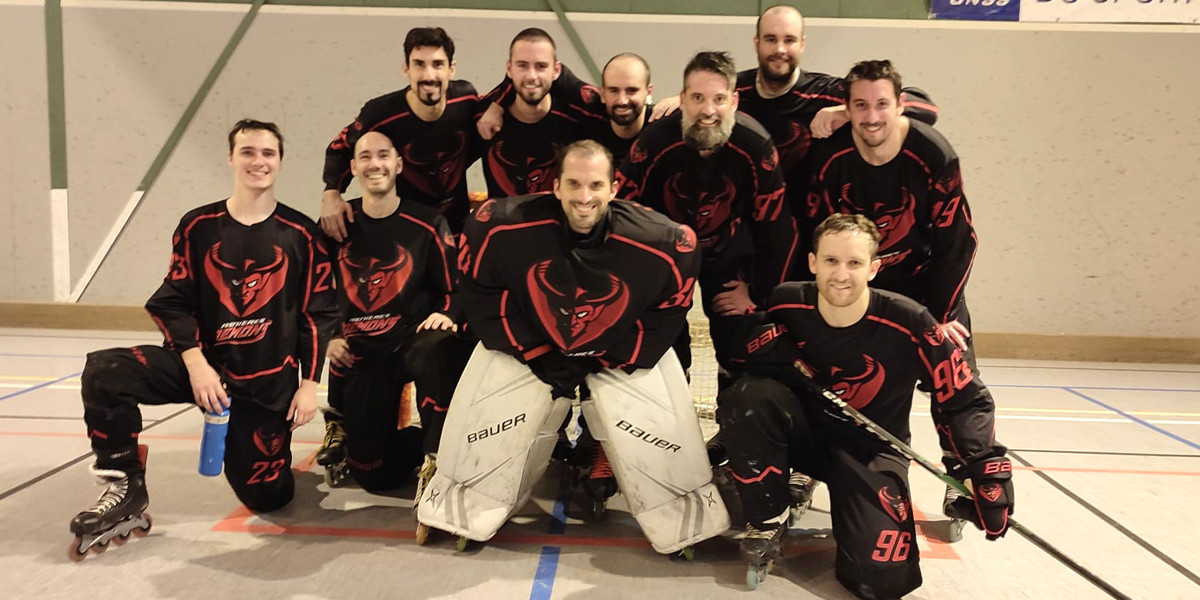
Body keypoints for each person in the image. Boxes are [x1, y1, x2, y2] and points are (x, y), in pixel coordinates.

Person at [417, 140, 729, 553]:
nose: (585, 197)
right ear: (556, 186)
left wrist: (604, 357)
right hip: (534, 347)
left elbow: (668, 312)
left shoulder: (665, 243)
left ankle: (679, 512)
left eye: (596, 185)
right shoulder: (501, 227)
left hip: (615, 352)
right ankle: (464, 498)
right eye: (574, 184)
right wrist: (536, 353)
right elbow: (481, 294)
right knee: (492, 424)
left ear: (614, 188)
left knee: (656, 443)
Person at [68, 119, 340, 559]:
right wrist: (195, 363)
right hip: (204, 369)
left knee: (269, 498)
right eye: (248, 151)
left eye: (268, 153)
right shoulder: (198, 226)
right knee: (106, 371)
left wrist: (309, 386)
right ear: (231, 158)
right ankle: (124, 485)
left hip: (265, 385)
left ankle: (271, 458)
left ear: (281, 162)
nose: (258, 161)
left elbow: (319, 314)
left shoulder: (301, 234)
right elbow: (171, 302)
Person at [718, 214, 1013, 597]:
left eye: (854, 263)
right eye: (830, 261)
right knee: (748, 396)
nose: (841, 274)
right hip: (805, 437)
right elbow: (744, 363)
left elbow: (962, 398)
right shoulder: (787, 303)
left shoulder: (910, 321)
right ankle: (768, 515)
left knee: (883, 578)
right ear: (812, 263)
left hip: (872, 449)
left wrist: (983, 468)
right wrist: (759, 349)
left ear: (874, 268)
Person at [806, 59, 980, 514]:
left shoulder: (933, 153)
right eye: (859, 105)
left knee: (954, 374)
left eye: (882, 104)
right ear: (846, 107)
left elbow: (958, 240)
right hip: (858, 286)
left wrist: (941, 318)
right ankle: (802, 465)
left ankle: (960, 474)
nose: (871, 116)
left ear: (901, 105)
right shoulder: (831, 156)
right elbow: (816, 230)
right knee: (817, 372)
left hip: (926, 282)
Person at [616, 50, 798, 382]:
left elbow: (777, 229)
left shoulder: (756, 146)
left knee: (742, 338)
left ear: (734, 101)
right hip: (666, 260)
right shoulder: (654, 142)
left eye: (718, 98)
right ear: (683, 99)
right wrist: (640, 284)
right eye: (698, 98)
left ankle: (733, 430)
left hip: (730, 256)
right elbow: (622, 215)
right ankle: (670, 425)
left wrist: (757, 292)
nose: (708, 110)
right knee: (664, 347)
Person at [315, 132, 474, 497]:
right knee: (374, 477)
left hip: (410, 344)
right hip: (363, 355)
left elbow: (455, 287)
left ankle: (440, 454)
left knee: (435, 350)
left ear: (398, 165)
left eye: (384, 155)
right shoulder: (335, 226)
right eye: (365, 157)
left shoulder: (428, 224)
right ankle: (400, 442)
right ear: (353, 168)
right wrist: (329, 335)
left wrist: (448, 313)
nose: (375, 164)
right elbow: (312, 292)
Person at [321, 27, 482, 238]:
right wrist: (331, 196)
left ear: (452, 69)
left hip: (455, 230)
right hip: (405, 234)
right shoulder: (379, 113)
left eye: (437, 64)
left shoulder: (466, 99)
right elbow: (340, 148)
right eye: (419, 64)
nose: (428, 75)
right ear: (406, 68)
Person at [476, 28, 606, 198]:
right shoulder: (482, 115)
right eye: (522, 65)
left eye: (541, 66)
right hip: (502, 223)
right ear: (509, 68)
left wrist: (651, 110)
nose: (532, 76)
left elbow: (625, 110)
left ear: (556, 71)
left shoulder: (579, 117)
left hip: (561, 222)